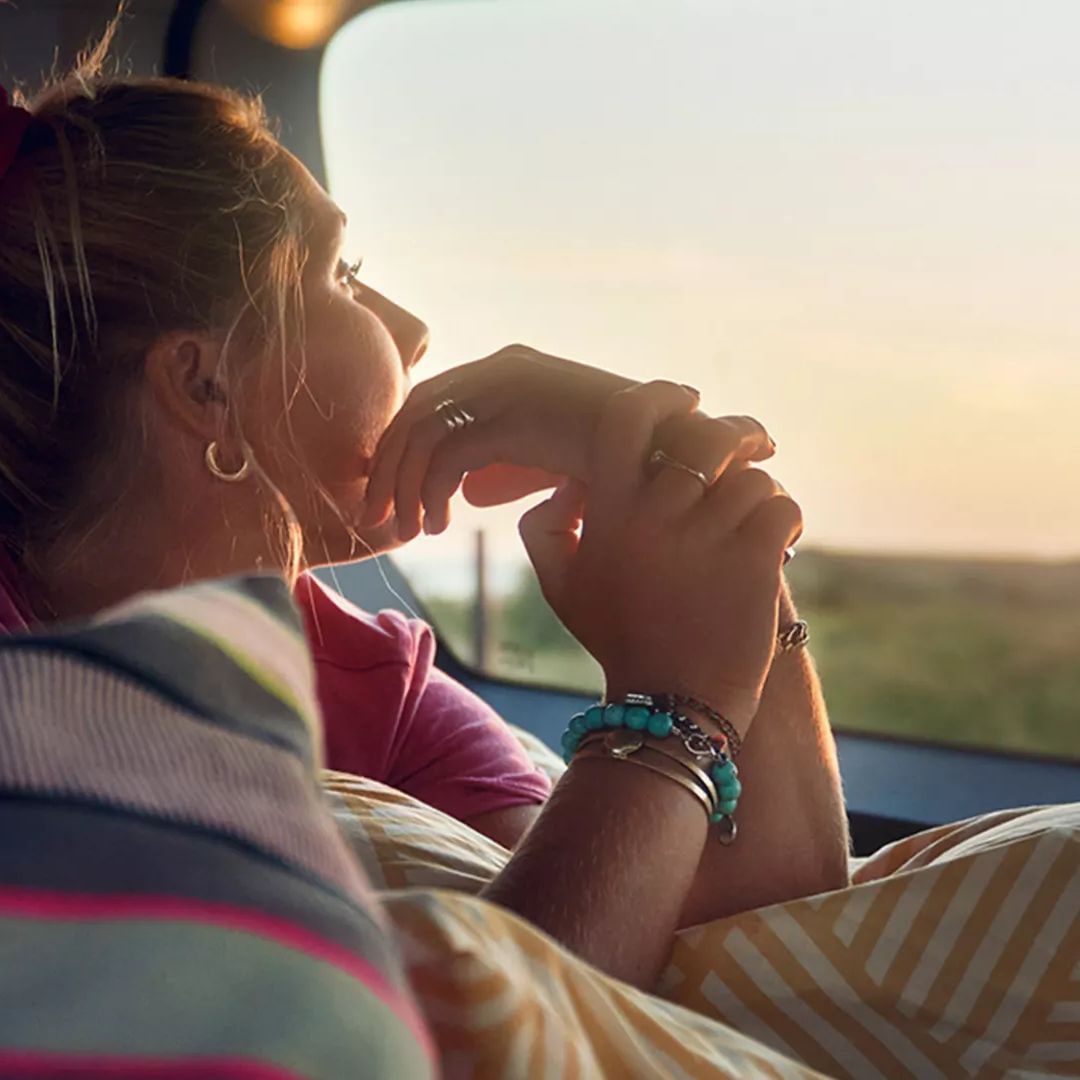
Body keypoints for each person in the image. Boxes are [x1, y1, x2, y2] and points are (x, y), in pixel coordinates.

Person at [0, 39, 849, 987]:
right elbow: (492, 1037)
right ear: (206, 385)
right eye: (342, 273)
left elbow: (768, 939)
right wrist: (669, 715)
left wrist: (700, 515)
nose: (409, 329)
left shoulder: (371, 688)